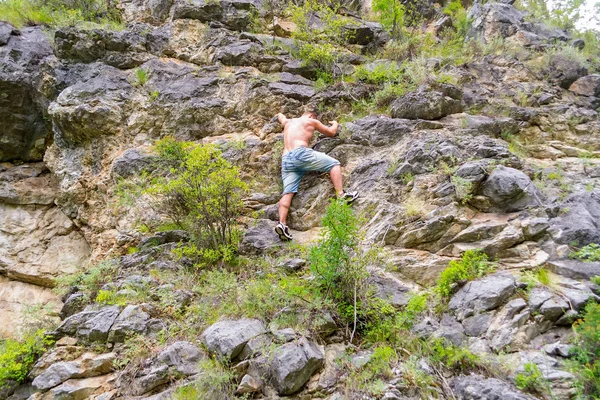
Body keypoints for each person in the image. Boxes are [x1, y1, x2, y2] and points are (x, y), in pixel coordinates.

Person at [274, 110, 359, 241]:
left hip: (286, 159)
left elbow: (281, 117)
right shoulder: (310, 121)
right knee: (334, 164)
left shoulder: (289, 123)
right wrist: (335, 124)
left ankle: (282, 223)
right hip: (300, 153)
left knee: (288, 192)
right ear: (311, 115)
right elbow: (331, 132)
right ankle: (341, 196)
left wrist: (280, 114)